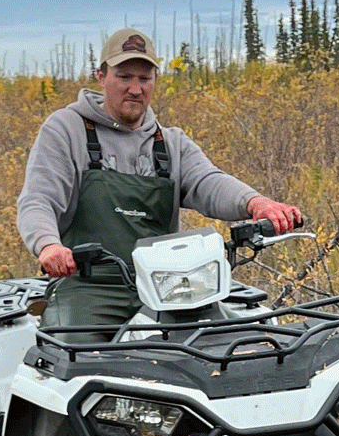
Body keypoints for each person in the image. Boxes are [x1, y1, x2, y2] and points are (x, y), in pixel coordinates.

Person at [17, 28, 301, 333]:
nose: (135, 89)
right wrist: (48, 246)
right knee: (72, 351)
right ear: (101, 76)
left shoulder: (169, 141)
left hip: (169, 286)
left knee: (239, 343)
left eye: (144, 79)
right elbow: (38, 199)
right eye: (124, 77)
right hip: (90, 286)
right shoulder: (65, 129)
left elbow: (208, 181)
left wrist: (255, 202)